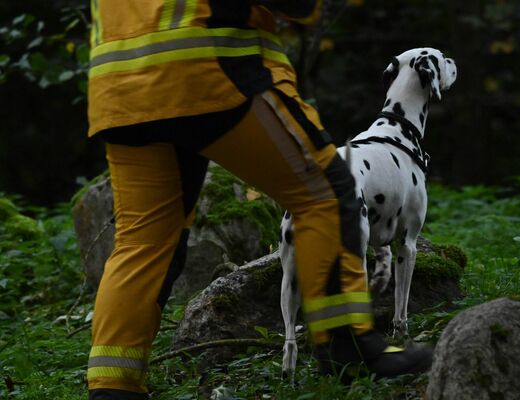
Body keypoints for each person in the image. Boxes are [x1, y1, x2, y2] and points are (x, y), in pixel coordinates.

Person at [85, 1, 432, 398]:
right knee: (328, 192)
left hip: (118, 87)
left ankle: (113, 387)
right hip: (205, 68)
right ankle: (348, 344)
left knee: (143, 242)